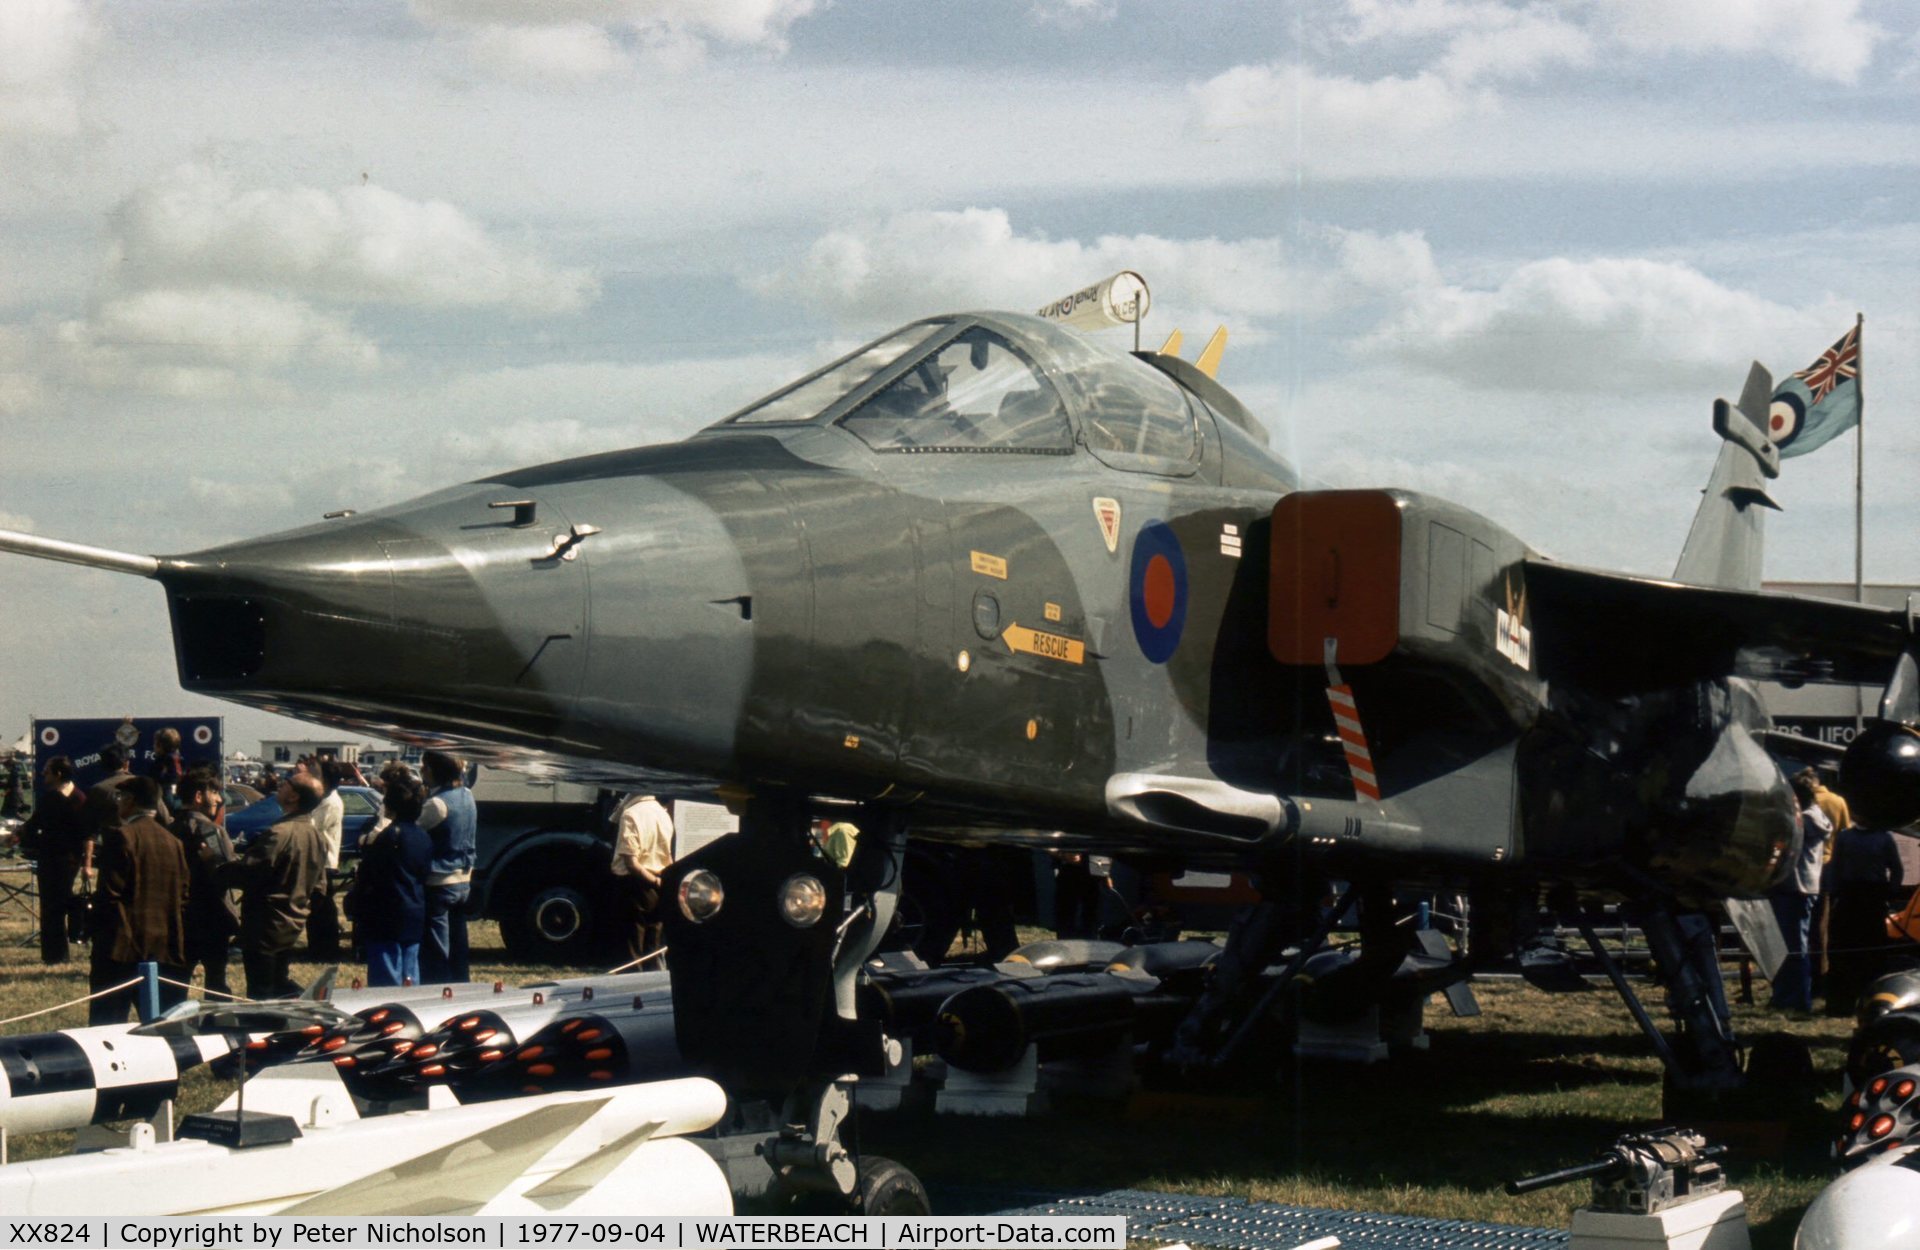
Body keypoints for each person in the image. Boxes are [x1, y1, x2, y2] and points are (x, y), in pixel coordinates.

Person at [88, 776, 190, 1024]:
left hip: (120, 948)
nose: (119, 803)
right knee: (159, 1026)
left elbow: (109, 895)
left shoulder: (121, 837)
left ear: (131, 801)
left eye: (121, 797)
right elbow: (183, 894)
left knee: (107, 1026)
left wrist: (95, 928)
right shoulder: (174, 842)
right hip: (161, 946)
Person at [227, 773, 325, 999]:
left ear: (294, 796)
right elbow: (320, 885)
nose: (280, 786)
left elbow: (249, 872)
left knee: (261, 993)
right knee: (277, 985)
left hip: (265, 925)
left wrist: (216, 861)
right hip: (292, 923)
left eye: (286, 784)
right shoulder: (315, 835)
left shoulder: (279, 833)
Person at [353, 776, 432, 987]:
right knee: (410, 972)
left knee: (386, 978)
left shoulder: (390, 836)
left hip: (386, 913)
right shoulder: (423, 836)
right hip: (414, 910)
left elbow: (373, 873)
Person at [1825, 816, 1908, 1015]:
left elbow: (1896, 868)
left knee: (1872, 950)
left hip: (1873, 896)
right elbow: (1836, 866)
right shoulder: (1845, 837)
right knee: (1845, 949)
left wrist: (1890, 892)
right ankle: (1842, 1002)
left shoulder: (1884, 837)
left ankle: (1874, 998)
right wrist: (1835, 892)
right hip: (1849, 895)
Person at [172, 769, 239, 998]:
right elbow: (227, 871)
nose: (219, 800)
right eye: (215, 793)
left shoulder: (170, 828)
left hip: (178, 916)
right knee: (216, 984)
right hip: (211, 918)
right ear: (199, 797)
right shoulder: (210, 831)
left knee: (175, 984)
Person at [17, 755, 89, 964]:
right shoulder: (49, 798)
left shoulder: (78, 799)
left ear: (58, 774)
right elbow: (34, 822)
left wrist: (86, 865)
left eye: (47, 771)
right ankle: (52, 954)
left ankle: (60, 953)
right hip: (47, 859)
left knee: (57, 905)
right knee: (49, 907)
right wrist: (17, 835)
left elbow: (86, 834)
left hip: (68, 860)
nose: (43, 774)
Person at [1769, 772, 1830, 1012]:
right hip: (1807, 884)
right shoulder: (1818, 817)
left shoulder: (1801, 820)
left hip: (1795, 886)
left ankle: (1795, 997)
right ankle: (1792, 995)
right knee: (1796, 944)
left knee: (1794, 947)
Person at [417, 751, 476, 983]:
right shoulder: (467, 795)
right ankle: (461, 984)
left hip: (439, 880)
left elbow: (414, 829)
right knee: (459, 945)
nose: (422, 771)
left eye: (425, 767)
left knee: (437, 948)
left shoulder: (437, 804)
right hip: (463, 877)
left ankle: (439, 986)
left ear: (434, 771)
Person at [610, 794, 674, 966]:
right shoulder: (663, 814)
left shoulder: (631, 814)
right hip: (658, 882)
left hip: (634, 885)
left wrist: (652, 881)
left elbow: (631, 863)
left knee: (632, 948)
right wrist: (659, 883)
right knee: (653, 946)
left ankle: (631, 985)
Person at [306, 759, 347, 961]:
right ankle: (319, 947)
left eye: (316, 775)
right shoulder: (324, 800)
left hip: (325, 862)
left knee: (322, 909)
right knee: (318, 909)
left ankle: (325, 949)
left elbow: (312, 826)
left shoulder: (330, 802)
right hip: (319, 860)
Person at [146, 728, 186, 825]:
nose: (153, 746)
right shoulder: (180, 759)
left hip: (165, 796)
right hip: (180, 796)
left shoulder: (161, 761)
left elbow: (154, 779)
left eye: (155, 744)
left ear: (160, 746)